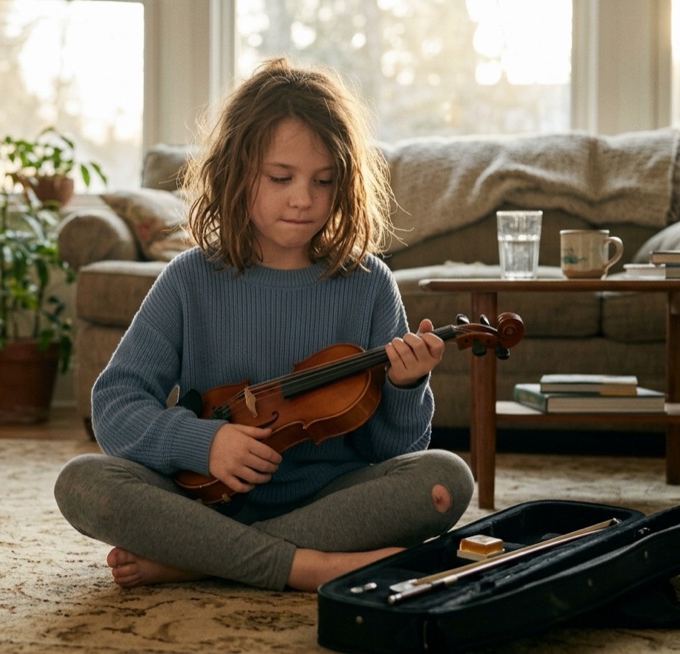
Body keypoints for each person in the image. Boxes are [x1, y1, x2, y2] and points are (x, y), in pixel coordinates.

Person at [54, 57, 476, 593]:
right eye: (281, 178)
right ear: (236, 173)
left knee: (443, 480)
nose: (303, 198)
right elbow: (115, 405)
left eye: (323, 181)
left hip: (329, 504)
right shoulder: (191, 279)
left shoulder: (369, 283)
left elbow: (393, 453)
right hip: (205, 498)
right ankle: (307, 567)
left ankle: (201, 559)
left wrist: (405, 387)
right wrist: (203, 443)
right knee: (83, 483)